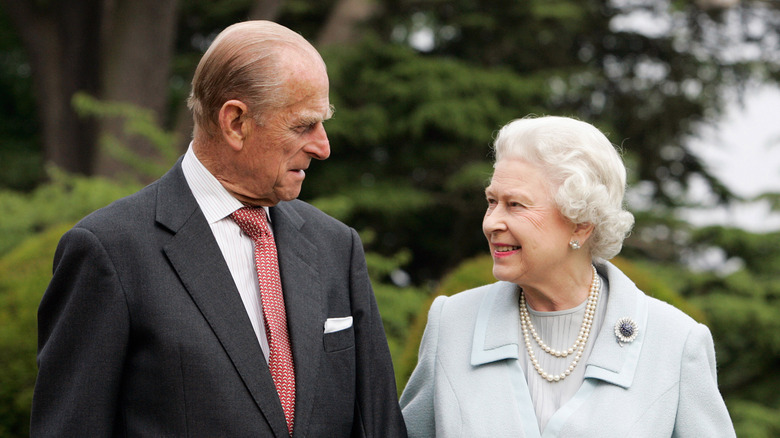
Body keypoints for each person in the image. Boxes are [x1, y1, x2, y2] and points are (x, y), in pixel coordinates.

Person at [31, 20, 407, 437]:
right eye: (303, 126)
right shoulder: (110, 252)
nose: (323, 147)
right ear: (235, 122)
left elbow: (380, 426)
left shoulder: (337, 247)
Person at [400, 115, 735, 437]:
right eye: (492, 201)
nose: (491, 223)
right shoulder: (452, 324)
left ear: (581, 223)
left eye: (515, 204)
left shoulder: (675, 342)